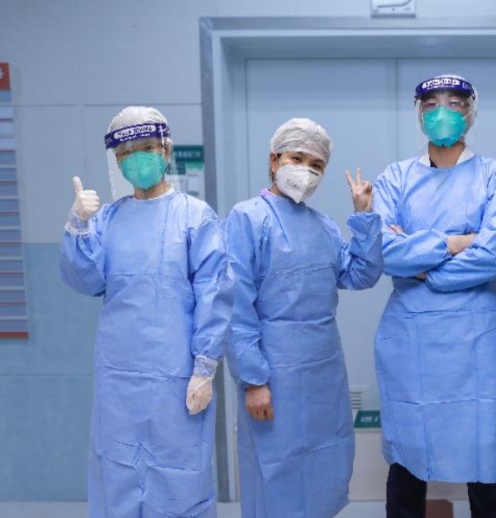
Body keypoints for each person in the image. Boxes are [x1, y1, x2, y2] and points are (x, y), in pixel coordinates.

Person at [59, 106, 233, 517]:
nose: (137, 158)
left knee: (179, 481)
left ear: (166, 151)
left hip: (178, 380)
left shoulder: (195, 217)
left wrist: (205, 367)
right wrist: (78, 225)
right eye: (127, 152)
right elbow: (86, 280)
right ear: (117, 161)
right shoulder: (108, 219)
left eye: (147, 148)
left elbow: (215, 293)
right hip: (119, 381)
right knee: (117, 475)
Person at [373, 74, 496, 518]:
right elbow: (385, 252)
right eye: (432, 104)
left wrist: (424, 267)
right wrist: (458, 241)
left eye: (455, 103)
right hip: (413, 338)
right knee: (409, 455)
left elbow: (495, 255)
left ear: (471, 113)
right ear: (419, 114)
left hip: (481, 335)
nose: (443, 112)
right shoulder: (395, 179)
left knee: (486, 455)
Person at [224, 118, 384, 518]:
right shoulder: (248, 218)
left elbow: (359, 275)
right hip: (273, 374)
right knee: (275, 471)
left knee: (324, 466)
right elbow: (235, 305)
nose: (306, 171)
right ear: (274, 160)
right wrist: (253, 380)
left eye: (316, 165)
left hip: (323, 373)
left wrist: (364, 217)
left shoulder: (323, 225)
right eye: (297, 158)